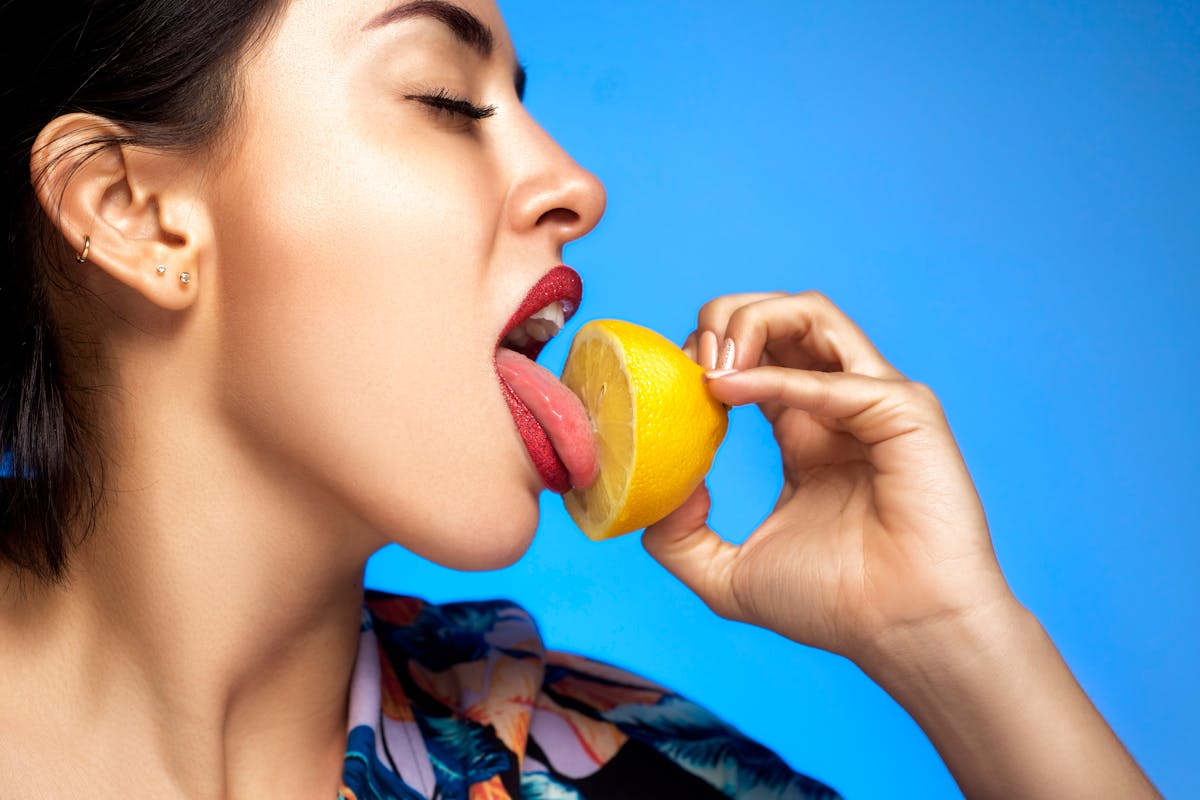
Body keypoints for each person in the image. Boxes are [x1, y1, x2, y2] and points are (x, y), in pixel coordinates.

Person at [0, 1, 1161, 798]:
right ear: (135, 216)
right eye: (446, 99)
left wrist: (956, 643)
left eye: (522, 98)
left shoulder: (615, 768)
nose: (576, 184)